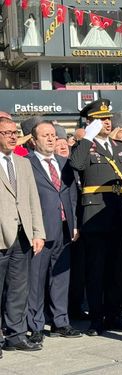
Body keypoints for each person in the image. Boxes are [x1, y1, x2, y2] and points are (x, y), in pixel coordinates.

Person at [68, 99, 122, 336]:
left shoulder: (119, 148)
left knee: (115, 268)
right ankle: (96, 318)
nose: (106, 123)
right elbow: (77, 165)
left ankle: (114, 314)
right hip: (95, 213)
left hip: (118, 211)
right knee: (96, 269)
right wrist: (87, 136)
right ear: (90, 123)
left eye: (108, 119)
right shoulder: (84, 146)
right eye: (100, 119)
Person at [26, 121, 82, 345]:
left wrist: (74, 223)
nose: (51, 139)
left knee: (60, 278)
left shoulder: (63, 162)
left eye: (53, 135)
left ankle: (61, 322)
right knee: (36, 280)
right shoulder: (27, 163)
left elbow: (71, 195)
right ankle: (35, 325)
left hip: (64, 228)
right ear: (34, 140)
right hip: (39, 231)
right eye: (45, 136)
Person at [0, 117, 45, 353]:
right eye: (5, 132)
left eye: (14, 132)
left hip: (22, 235)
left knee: (19, 289)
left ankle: (15, 335)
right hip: (0, 235)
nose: (11, 136)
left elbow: (32, 200)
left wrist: (38, 232)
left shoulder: (22, 162)